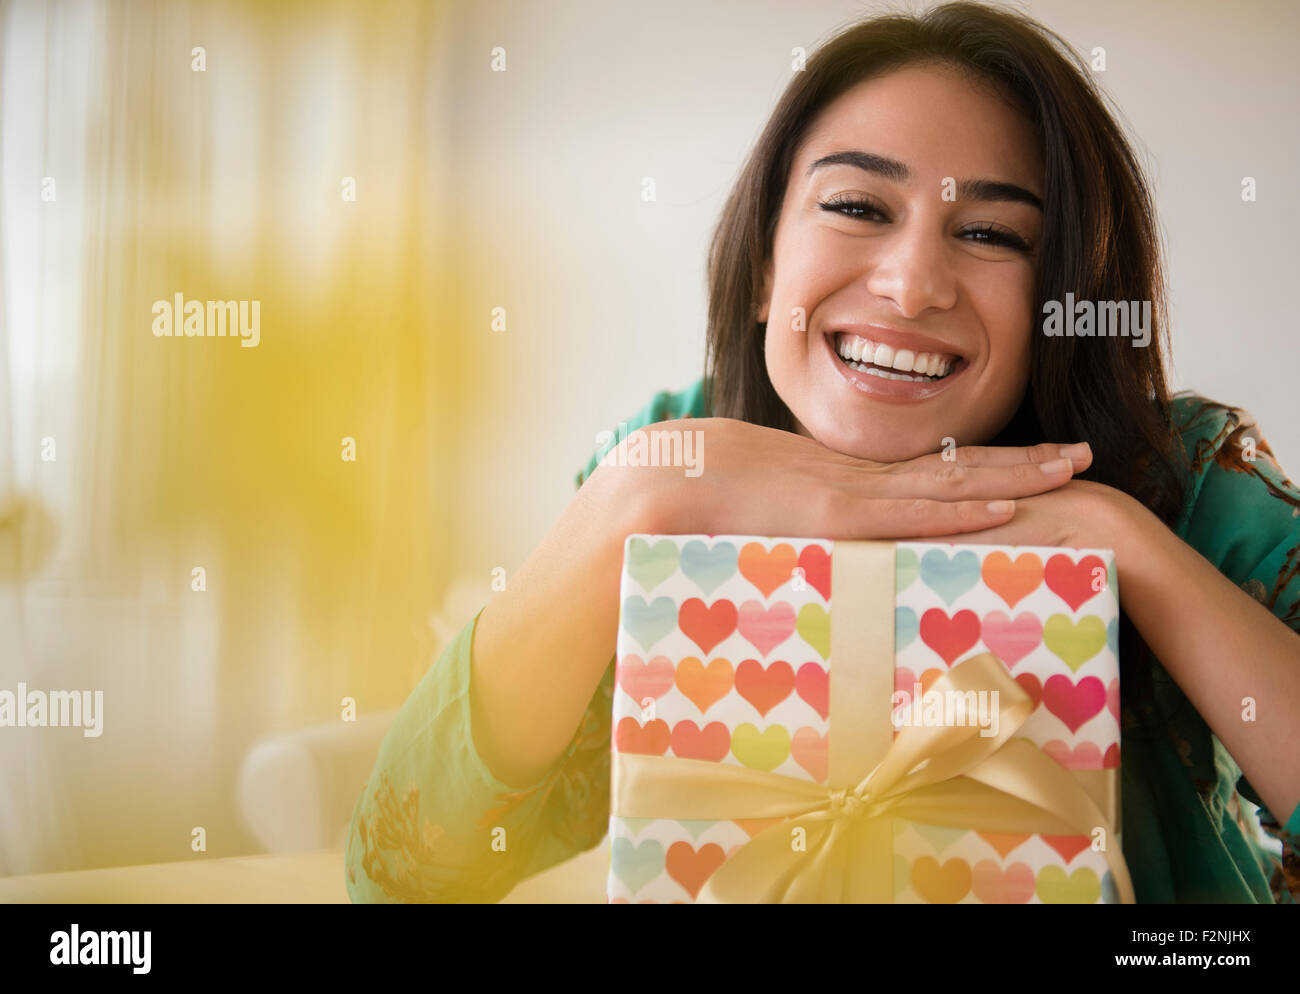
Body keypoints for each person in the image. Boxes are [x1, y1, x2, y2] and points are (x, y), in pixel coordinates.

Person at [344, 2, 1300, 903]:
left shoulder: (1183, 480)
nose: (914, 282)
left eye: (989, 233)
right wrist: (626, 500)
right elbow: (407, 873)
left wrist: (1118, 540)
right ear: (766, 265)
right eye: (858, 207)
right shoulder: (674, 465)